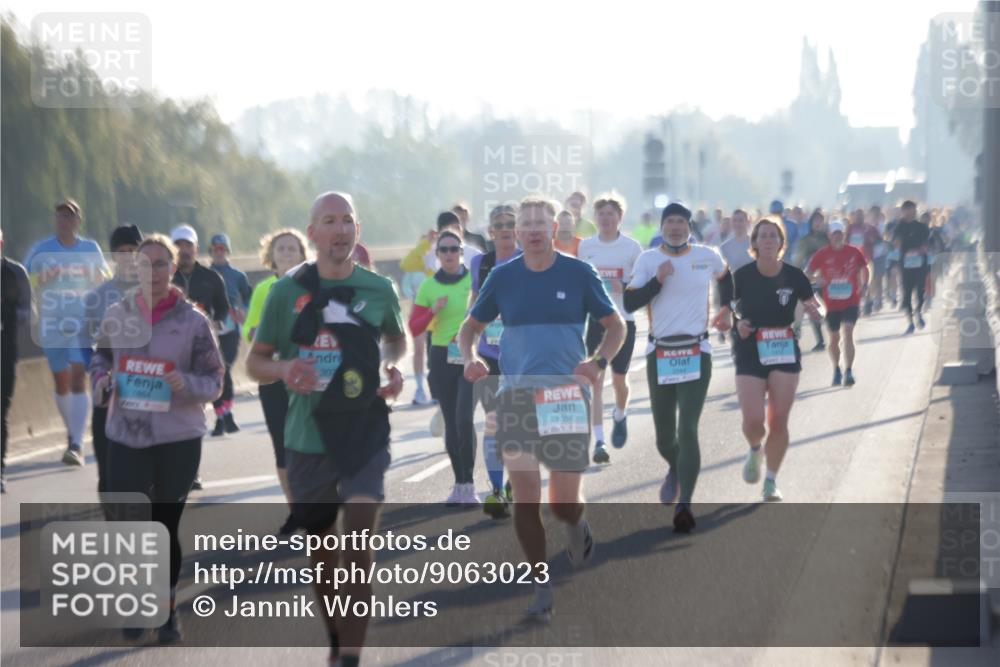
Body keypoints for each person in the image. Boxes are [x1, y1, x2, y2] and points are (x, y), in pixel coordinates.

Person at [247, 192, 405, 667]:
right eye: (329, 221)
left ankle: (350, 658)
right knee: (325, 557)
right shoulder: (284, 293)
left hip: (363, 431)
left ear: (357, 230)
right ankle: (338, 638)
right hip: (307, 436)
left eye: (348, 221)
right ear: (312, 233)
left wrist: (392, 367)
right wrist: (284, 369)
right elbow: (255, 361)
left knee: (358, 547)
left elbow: (395, 339)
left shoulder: (379, 289)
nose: (340, 229)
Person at [459, 195, 625, 618]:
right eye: (525, 223)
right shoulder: (503, 276)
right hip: (516, 395)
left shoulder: (579, 271)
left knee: (562, 503)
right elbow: (470, 327)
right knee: (527, 497)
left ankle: (576, 524)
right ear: (516, 233)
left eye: (541, 222)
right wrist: (470, 357)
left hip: (565, 396)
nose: (532, 229)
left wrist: (599, 362)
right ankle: (539, 583)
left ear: (555, 230)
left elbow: (615, 326)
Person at [92, 234, 224, 643]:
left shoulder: (193, 321)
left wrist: (182, 382)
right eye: (145, 264)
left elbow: (215, 380)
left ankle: (167, 611)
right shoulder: (118, 313)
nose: (153, 271)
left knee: (164, 526)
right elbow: (101, 356)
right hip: (127, 434)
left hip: (178, 436)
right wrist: (102, 380)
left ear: (172, 269)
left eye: (161, 264)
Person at [624, 202, 731, 532]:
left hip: (697, 350)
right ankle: (675, 467)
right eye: (669, 221)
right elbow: (629, 302)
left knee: (688, 429)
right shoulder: (648, 259)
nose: (674, 227)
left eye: (680, 222)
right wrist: (656, 281)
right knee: (664, 438)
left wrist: (726, 308)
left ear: (689, 226)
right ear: (662, 226)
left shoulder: (707, 255)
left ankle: (685, 504)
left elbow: (727, 278)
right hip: (661, 353)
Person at [732, 216, 822, 502]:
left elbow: (815, 304)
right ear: (755, 242)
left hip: (783, 350)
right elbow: (730, 311)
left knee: (779, 420)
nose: (768, 240)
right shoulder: (742, 275)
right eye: (763, 235)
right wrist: (737, 323)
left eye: (774, 236)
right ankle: (755, 448)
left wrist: (817, 311)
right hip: (749, 350)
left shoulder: (795, 276)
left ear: (782, 242)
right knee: (754, 421)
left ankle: (770, 480)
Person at [23, 199, 110, 467]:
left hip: (82, 323)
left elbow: (106, 279)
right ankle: (72, 431)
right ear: (55, 220)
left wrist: (95, 275)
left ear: (78, 221)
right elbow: (22, 278)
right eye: (60, 215)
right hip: (52, 324)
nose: (64, 220)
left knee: (76, 377)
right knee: (60, 381)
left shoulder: (90, 248)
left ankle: (76, 443)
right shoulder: (41, 250)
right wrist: (42, 278)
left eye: (70, 216)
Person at [244, 228, 310, 534]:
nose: (285, 253)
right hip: (273, 377)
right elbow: (251, 332)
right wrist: (263, 333)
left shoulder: (313, 286)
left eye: (291, 248)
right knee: (282, 447)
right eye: (280, 248)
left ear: (302, 254)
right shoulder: (262, 290)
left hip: (308, 376)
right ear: (270, 256)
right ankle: (296, 510)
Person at [409, 231, 478, 505]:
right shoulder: (428, 286)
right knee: (451, 422)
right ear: (437, 255)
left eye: (453, 249)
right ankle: (459, 483)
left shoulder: (474, 282)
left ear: (461, 252)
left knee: (464, 419)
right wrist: (432, 311)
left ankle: (470, 483)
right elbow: (414, 326)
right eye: (443, 250)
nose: (449, 254)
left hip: (469, 355)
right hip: (441, 357)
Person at [578, 193, 642, 462]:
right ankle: (599, 441)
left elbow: (640, 285)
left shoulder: (632, 247)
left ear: (620, 218)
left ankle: (620, 413)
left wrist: (623, 286)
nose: (605, 219)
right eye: (601, 214)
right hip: (596, 322)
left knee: (619, 381)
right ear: (596, 218)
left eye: (611, 214)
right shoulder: (586, 247)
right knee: (595, 380)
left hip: (623, 320)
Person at [466, 204, 521, 517]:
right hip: (490, 356)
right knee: (494, 425)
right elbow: (475, 305)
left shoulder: (528, 259)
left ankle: (515, 481)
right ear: (490, 231)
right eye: (498, 224)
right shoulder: (481, 263)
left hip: (521, 356)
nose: (504, 229)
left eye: (510, 223)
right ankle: (498, 490)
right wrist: (467, 344)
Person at [83, 224, 144, 496]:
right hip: (108, 392)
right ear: (113, 256)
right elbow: (86, 343)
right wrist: (97, 375)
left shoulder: (159, 291)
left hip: (148, 389)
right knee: (107, 469)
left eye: (133, 251)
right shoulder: (97, 298)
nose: (128, 257)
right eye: (121, 252)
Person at [170, 224, 229, 489]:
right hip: (170, 352)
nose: (183, 250)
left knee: (195, 412)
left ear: (195, 248)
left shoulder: (211, 277)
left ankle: (191, 472)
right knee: (168, 410)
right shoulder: (163, 277)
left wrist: (214, 324)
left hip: (202, 352)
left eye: (187, 245)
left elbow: (223, 309)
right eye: (178, 245)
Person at [806, 220, 869, 387]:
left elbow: (864, 268)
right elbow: (808, 273)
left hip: (851, 300)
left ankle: (848, 370)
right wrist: (816, 279)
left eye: (840, 233)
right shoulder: (822, 254)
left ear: (844, 234)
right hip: (832, 303)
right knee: (834, 338)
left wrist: (864, 285)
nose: (837, 237)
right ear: (829, 235)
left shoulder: (854, 252)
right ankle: (836, 368)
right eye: (834, 234)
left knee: (848, 333)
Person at [208, 233, 252, 436]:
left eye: (222, 248)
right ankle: (222, 417)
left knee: (225, 368)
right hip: (209, 328)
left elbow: (249, 298)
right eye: (216, 248)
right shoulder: (204, 274)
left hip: (231, 327)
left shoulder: (238, 275)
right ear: (211, 250)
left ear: (227, 250)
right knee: (216, 370)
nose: (219, 252)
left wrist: (244, 311)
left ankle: (226, 414)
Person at [1, 229, 31, 493]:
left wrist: (6, 316)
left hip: (4, 351)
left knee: (1, 411)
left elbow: (26, 310)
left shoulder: (15, 273)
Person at [399, 230, 437, 405]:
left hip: (438, 313)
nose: (427, 249)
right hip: (419, 311)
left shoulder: (435, 266)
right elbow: (406, 286)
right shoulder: (413, 267)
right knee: (419, 350)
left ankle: (438, 388)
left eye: (431, 245)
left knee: (436, 352)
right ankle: (420, 388)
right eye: (424, 246)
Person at [792, 209, 829, 352]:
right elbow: (798, 260)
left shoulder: (829, 238)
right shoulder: (805, 240)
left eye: (820, 220)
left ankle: (834, 334)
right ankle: (820, 340)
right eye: (815, 220)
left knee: (830, 310)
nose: (818, 223)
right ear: (811, 223)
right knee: (813, 309)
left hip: (829, 279)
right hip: (811, 279)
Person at [892, 200, 930, 334]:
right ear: (903, 211)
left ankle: (918, 312)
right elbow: (895, 243)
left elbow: (927, 243)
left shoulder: (922, 226)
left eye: (913, 210)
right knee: (907, 294)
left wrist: (922, 249)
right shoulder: (899, 227)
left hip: (920, 263)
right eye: (907, 210)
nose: (910, 213)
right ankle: (910, 322)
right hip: (906, 265)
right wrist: (899, 244)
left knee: (920, 291)